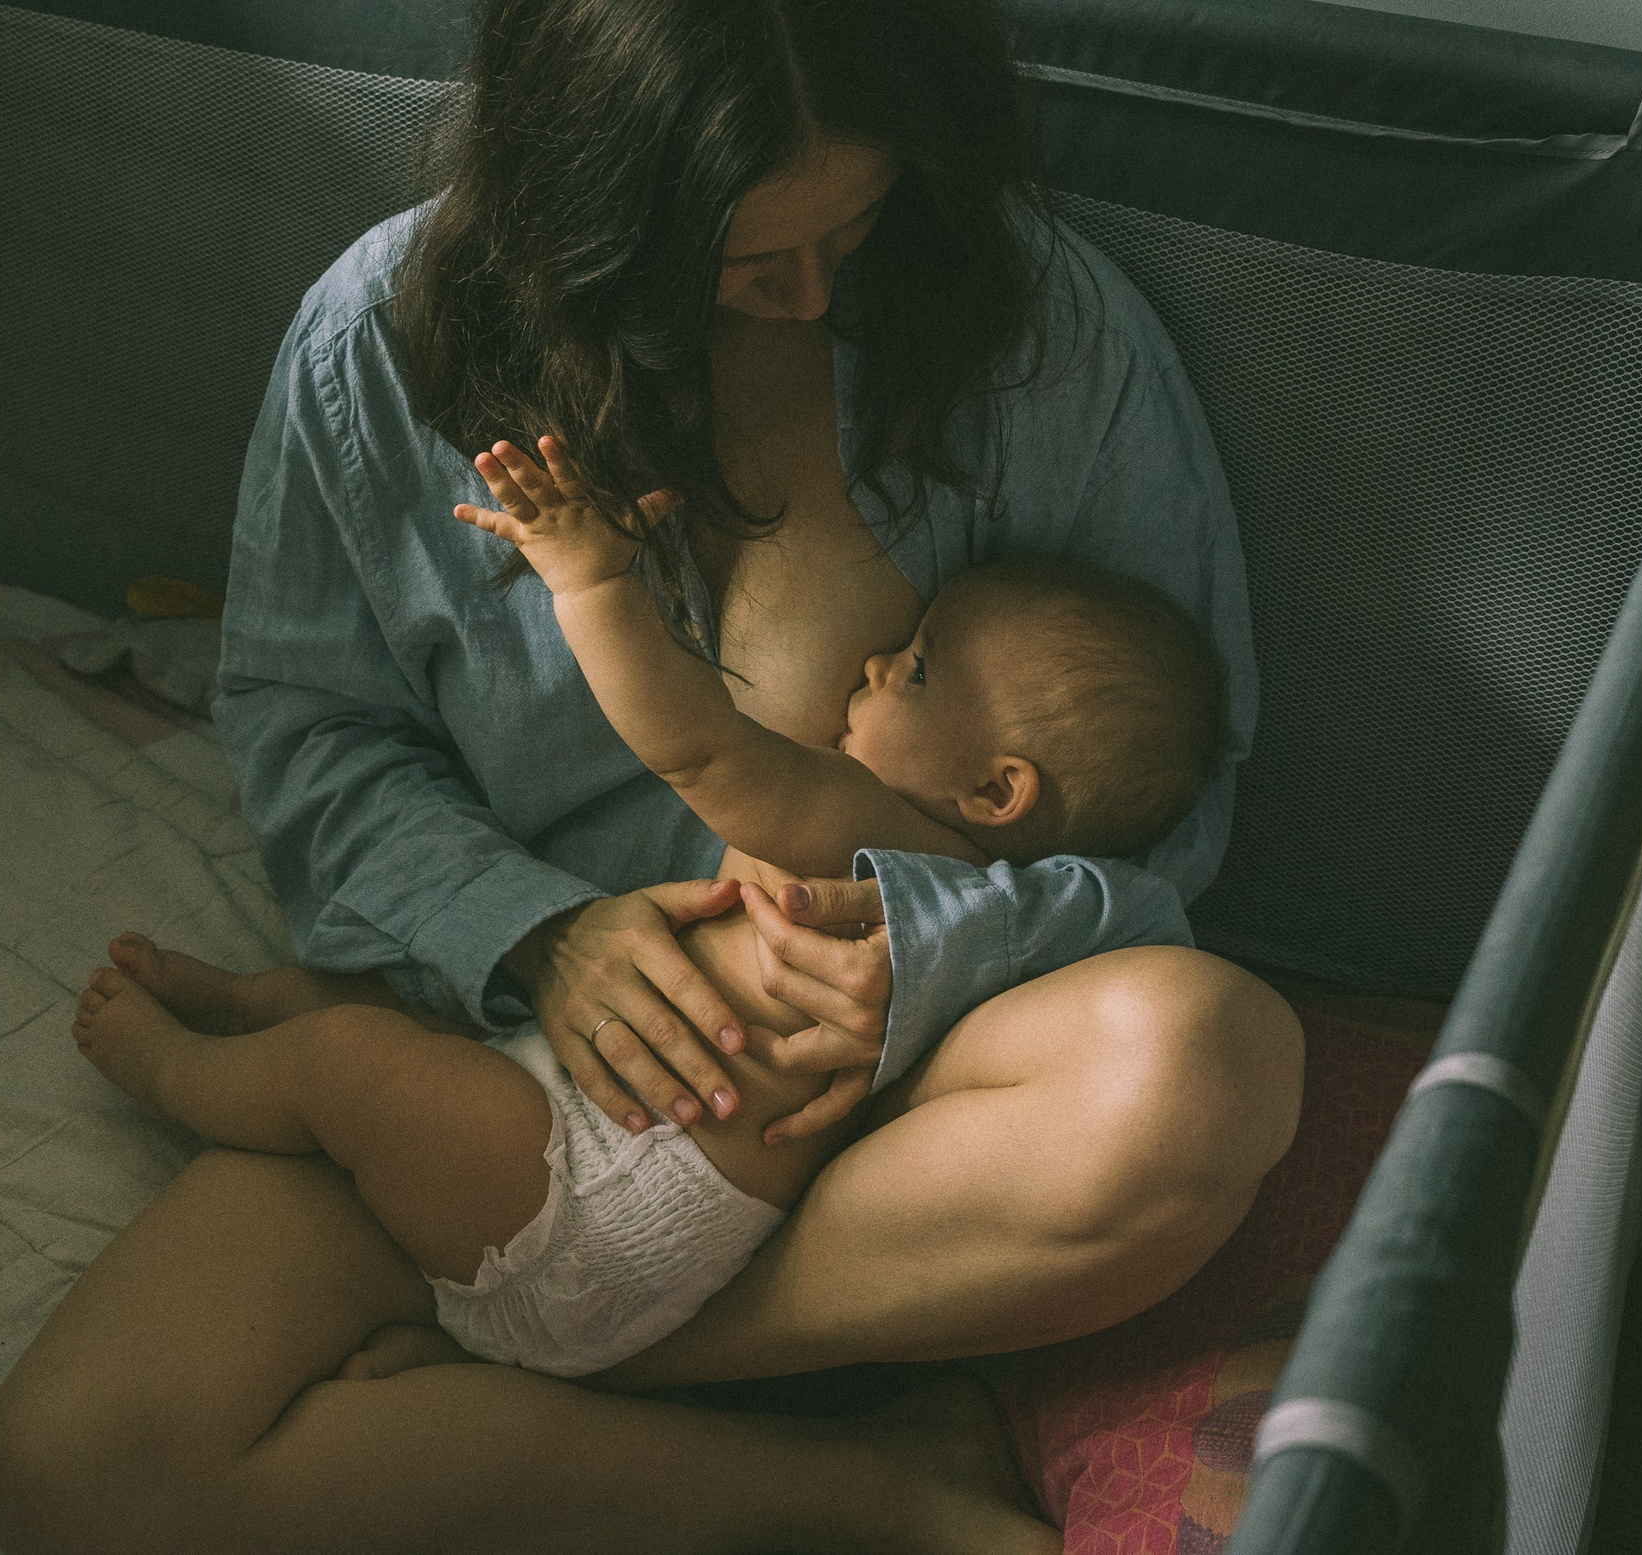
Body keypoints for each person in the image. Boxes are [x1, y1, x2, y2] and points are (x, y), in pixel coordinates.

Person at [0, 0, 1303, 1549]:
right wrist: (540, 935)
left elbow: (1166, 795)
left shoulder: (1047, 336)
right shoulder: (381, 346)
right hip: (518, 1098)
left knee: (1207, 1064)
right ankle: (859, 1484)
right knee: (73, 1464)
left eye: (858, 228)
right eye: (751, 264)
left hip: (903, 1112)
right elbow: (314, 735)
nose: (814, 301)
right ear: (584, 204)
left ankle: (573, 1380)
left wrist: (921, 950)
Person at [67, 440, 1232, 1383]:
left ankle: (171, 1073)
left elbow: (700, 746)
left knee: (348, 1064)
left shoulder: (871, 836)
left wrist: (592, 583)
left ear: (994, 792)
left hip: (590, 1205)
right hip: (621, 1194)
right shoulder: (1002, 929)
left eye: (917, 670)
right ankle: (244, 1001)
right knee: (387, 1004)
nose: (875, 664)